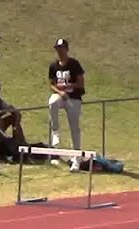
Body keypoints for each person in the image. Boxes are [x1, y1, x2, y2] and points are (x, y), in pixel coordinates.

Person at [47, 38, 86, 171]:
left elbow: (81, 83)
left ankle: (76, 158)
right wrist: (60, 92)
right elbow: (51, 84)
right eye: (58, 49)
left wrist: (70, 86)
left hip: (74, 98)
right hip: (61, 96)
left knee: (74, 128)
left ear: (67, 49)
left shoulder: (74, 64)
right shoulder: (53, 65)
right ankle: (55, 132)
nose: (60, 51)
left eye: (62, 48)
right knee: (52, 101)